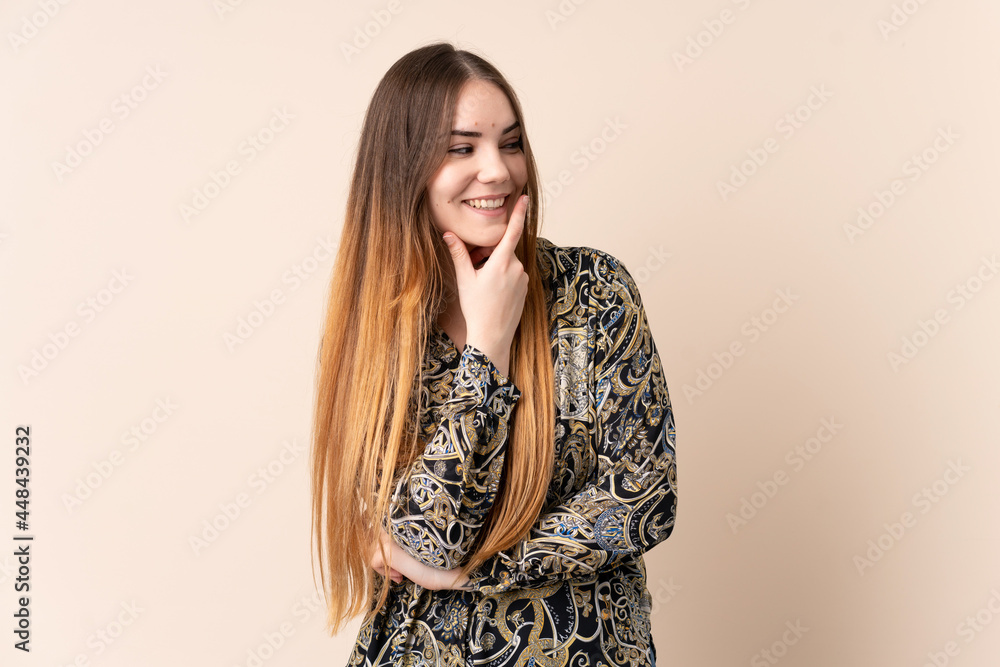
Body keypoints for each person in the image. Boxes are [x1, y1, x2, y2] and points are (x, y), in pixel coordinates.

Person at [310, 41, 678, 666]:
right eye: (462, 148)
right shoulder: (375, 337)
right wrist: (487, 347)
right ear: (404, 170)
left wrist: (470, 575)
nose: (498, 171)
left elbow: (646, 498)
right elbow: (428, 538)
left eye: (510, 143)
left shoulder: (593, 294)